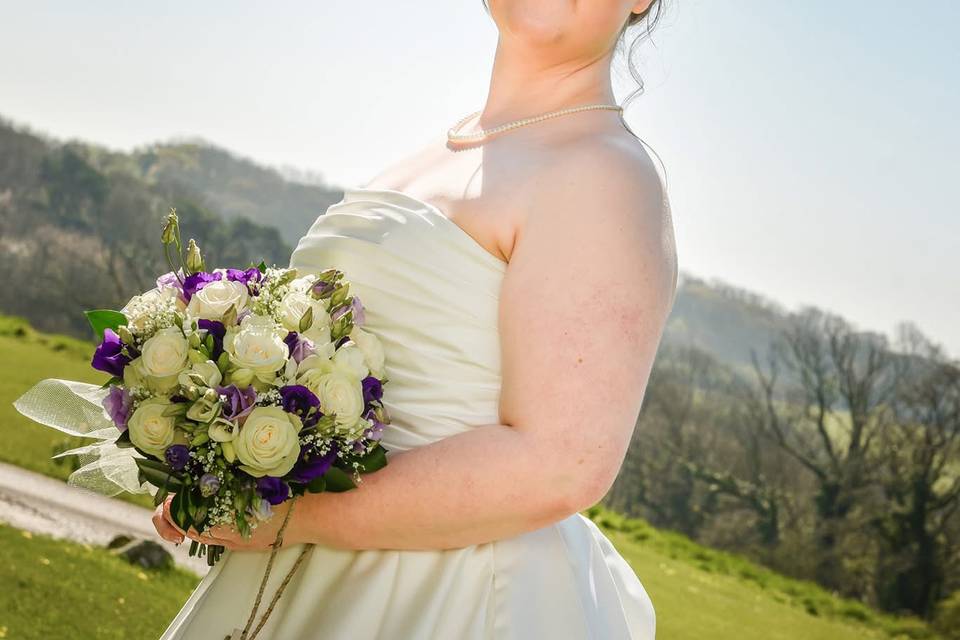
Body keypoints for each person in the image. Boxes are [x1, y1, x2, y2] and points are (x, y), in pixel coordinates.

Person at [155, 1, 677, 638]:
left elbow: (561, 463)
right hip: (310, 566)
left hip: (446, 595)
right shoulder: (443, 148)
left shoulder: (603, 173)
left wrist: (294, 517)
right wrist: (236, 458)